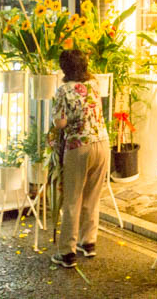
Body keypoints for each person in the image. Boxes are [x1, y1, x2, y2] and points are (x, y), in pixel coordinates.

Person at [50, 49, 109, 268]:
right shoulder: (95, 84)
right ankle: (89, 242)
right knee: (92, 196)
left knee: (72, 199)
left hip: (79, 147)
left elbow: (60, 123)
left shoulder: (63, 90)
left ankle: (67, 252)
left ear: (64, 68)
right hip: (102, 143)